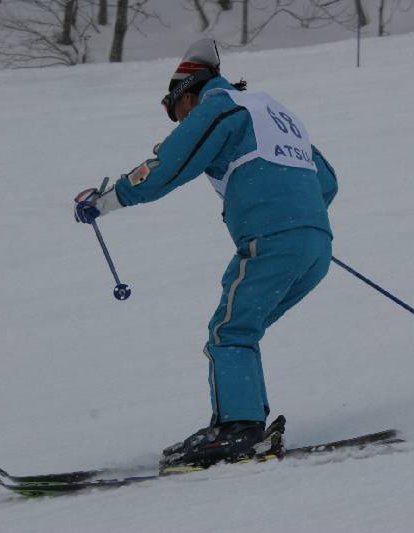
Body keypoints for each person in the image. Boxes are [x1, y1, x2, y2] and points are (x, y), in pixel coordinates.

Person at [73, 38, 338, 467]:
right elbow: (326, 182)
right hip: (315, 245)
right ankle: (243, 425)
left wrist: (103, 201)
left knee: (229, 332)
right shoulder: (274, 113)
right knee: (241, 329)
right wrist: (302, 225)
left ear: (188, 95)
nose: (182, 122)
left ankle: (238, 430)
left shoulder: (219, 109)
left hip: (273, 240)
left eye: (178, 113)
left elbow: (168, 168)